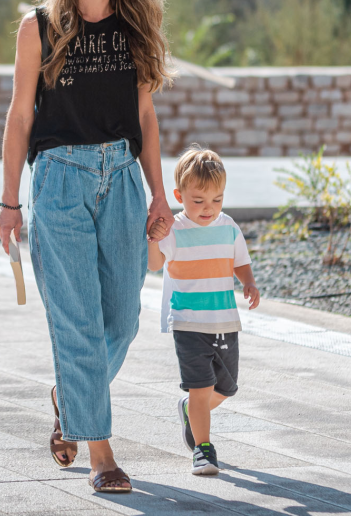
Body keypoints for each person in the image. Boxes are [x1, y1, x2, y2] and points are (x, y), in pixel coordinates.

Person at [0, 0, 173, 495]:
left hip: (121, 178)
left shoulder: (134, 29)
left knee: (122, 319)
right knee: (77, 322)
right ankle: (102, 454)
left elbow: (144, 115)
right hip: (61, 181)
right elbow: (20, 117)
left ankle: (68, 397)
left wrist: (159, 195)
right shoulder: (37, 28)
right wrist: (9, 202)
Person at [147, 146, 260, 477]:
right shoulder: (175, 230)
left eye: (217, 200)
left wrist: (249, 283)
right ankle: (203, 449)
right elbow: (155, 265)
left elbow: (240, 261)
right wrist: (153, 238)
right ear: (179, 195)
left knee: (225, 387)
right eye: (198, 201)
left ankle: (190, 411)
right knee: (200, 387)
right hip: (188, 322)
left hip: (225, 321)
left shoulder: (228, 227)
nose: (208, 208)